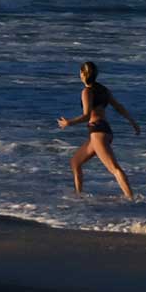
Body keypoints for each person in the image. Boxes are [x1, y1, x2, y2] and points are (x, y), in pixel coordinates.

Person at [57, 61, 140, 199]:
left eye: (80, 72)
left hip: (97, 132)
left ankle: (131, 198)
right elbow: (118, 106)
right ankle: (78, 196)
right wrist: (132, 122)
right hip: (103, 130)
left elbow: (87, 115)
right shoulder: (103, 90)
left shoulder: (87, 91)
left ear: (83, 74)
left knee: (114, 168)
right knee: (75, 162)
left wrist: (69, 122)